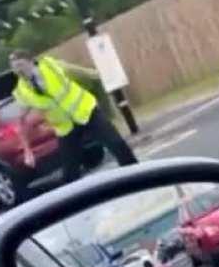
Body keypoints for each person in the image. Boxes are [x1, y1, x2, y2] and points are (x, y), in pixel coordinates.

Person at [9, 49, 138, 184]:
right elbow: (20, 122)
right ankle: (75, 199)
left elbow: (78, 71)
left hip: (86, 112)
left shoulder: (51, 66)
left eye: (20, 65)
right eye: (14, 68)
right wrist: (27, 151)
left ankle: (136, 176)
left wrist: (100, 75)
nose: (18, 70)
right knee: (70, 171)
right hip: (66, 128)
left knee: (116, 143)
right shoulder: (22, 91)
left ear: (31, 62)